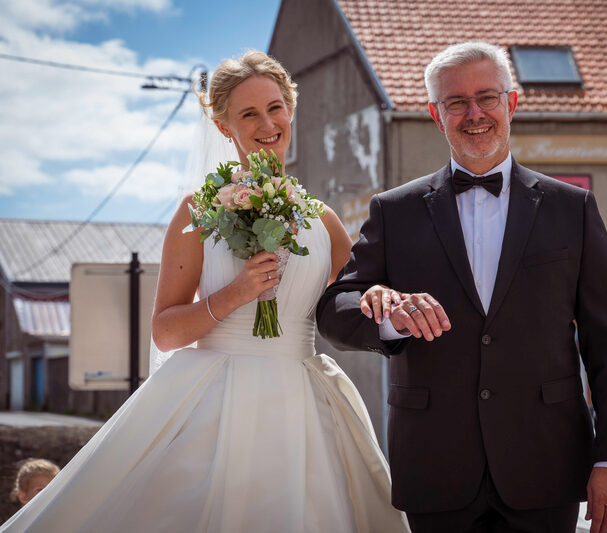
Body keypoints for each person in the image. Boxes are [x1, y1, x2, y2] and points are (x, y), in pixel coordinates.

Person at [2, 51, 408, 533]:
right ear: (223, 127)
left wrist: (383, 295)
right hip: (212, 400)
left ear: (290, 111)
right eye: (248, 114)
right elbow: (165, 332)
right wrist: (234, 294)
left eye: (276, 107)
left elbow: (354, 299)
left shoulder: (323, 220)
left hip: (303, 398)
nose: (267, 123)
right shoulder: (197, 211)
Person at [316, 41, 607, 533]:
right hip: (435, 466)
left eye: (487, 98)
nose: (475, 114)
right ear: (436, 114)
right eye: (456, 102)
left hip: (547, 465)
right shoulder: (395, 210)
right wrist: (387, 314)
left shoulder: (571, 209)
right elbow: (334, 308)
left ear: (511, 104)